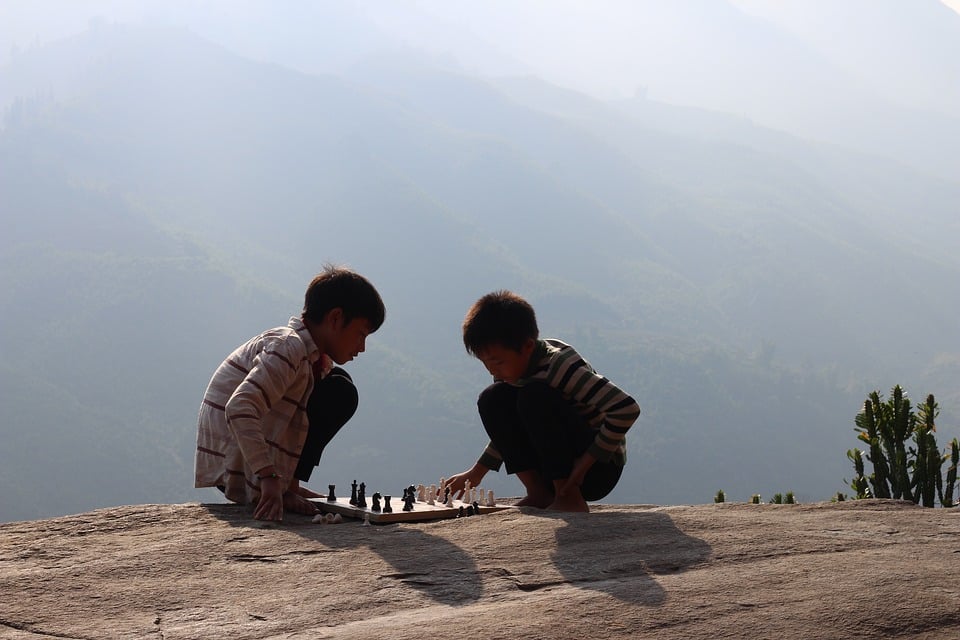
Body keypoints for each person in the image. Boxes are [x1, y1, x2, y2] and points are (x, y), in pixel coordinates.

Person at [194, 266, 385, 521]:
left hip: (245, 456)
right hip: (236, 461)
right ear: (336, 318)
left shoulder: (313, 359)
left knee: (338, 385)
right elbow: (239, 408)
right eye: (361, 334)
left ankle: (289, 485)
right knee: (340, 392)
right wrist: (269, 478)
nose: (361, 348)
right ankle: (282, 485)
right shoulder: (288, 347)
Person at [445, 290, 640, 512]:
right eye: (485, 363)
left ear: (527, 346)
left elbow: (626, 409)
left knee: (534, 396)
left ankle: (568, 497)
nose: (492, 370)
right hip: (553, 465)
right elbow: (510, 428)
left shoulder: (560, 366)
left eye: (497, 362)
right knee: (492, 398)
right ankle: (539, 493)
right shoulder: (512, 371)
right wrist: (476, 473)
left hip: (597, 469)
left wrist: (582, 467)